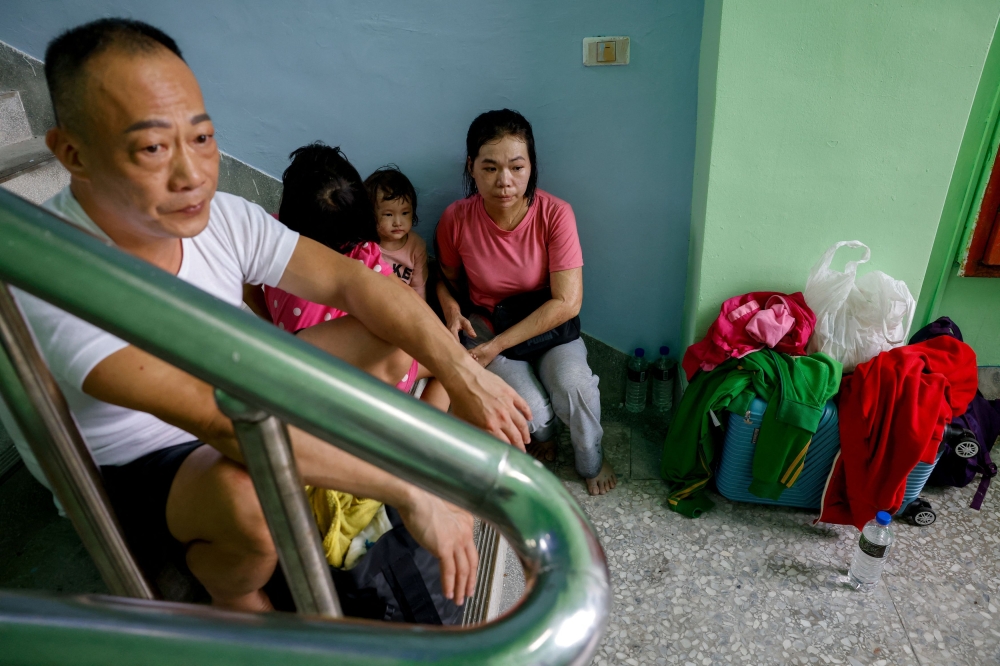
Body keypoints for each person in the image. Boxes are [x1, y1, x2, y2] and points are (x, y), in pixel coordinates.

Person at [18, 18, 532, 613]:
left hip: (233, 382)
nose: (192, 175)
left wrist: (467, 378)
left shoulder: (220, 215)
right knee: (248, 499)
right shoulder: (56, 277)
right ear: (71, 154)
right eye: (153, 147)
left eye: (203, 138)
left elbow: (357, 284)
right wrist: (405, 488)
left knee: (393, 336)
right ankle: (230, 587)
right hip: (142, 459)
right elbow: (221, 424)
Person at [435, 109, 616, 496]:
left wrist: (495, 347)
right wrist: (452, 310)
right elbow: (445, 279)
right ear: (471, 167)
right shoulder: (456, 219)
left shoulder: (555, 214)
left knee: (575, 389)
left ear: (531, 165)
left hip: (548, 329)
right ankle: (545, 434)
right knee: (532, 412)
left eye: (517, 167)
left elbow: (567, 302)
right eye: (490, 168)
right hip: (489, 326)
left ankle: (591, 460)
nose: (505, 182)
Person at [249, 142, 446, 406]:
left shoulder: (268, 233)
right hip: (355, 378)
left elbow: (247, 289)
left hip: (297, 354)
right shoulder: (363, 255)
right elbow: (403, 307)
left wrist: (274, 325)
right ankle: (427, 431)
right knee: (440, 365)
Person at [365, 166, 428, 300]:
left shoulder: (417, 246)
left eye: (405, 213)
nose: (398, 222)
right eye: (388, 214)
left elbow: (418, 289)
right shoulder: (365, 245)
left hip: (404, 308)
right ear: (371, 216)